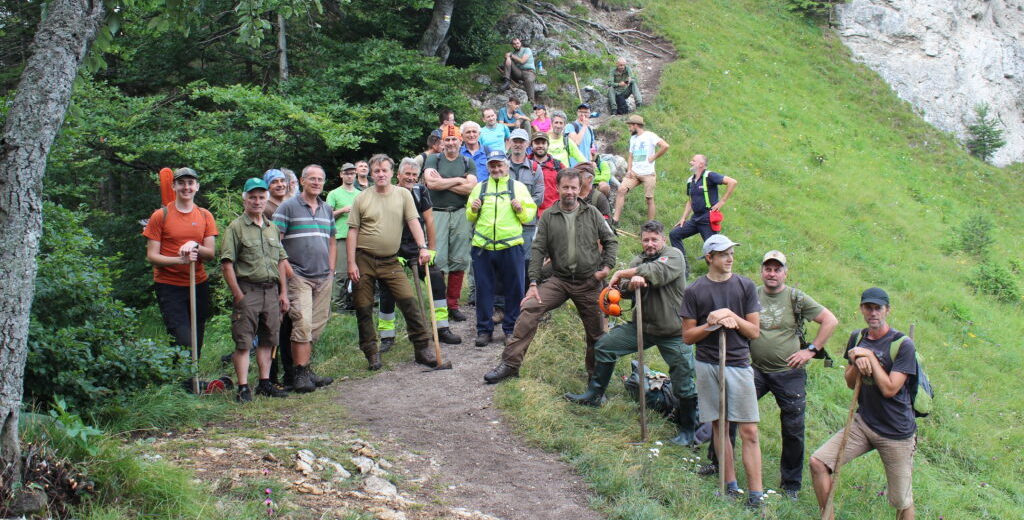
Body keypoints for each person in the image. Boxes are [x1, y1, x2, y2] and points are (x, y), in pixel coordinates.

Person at [701, 250, 839, 499]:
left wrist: (810, 351)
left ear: (785, 273)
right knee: (728, 413)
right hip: (755, 370)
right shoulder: (750, 293)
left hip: (789, 373)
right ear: (762, 271)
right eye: (768, 268)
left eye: (777, 269)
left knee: (793, 428)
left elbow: (830, 320)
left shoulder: (796, 297)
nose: (772, 273)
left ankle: (791, 485)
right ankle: (718, 463)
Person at [564, 220, 698, 442]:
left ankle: (688, 431)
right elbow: (622, 290)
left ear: (662, 239)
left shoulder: (674, 256)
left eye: (654, 239)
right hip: (641, 327)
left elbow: (657, 272)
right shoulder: (639, 260)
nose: (650, 244)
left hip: (672, 330)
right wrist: (629, 285)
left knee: (683, 377)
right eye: (646, 240)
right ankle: (594, 395)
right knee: (605, 346)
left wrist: (627, 274)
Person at [485, 168, 617, 383]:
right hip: (560, 280)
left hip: (590, 282)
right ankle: (510, 364)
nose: (570, 192)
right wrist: (534, 282)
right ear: (557, 188)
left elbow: (611, 240)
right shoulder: (548, 216)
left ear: (580, 188)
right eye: (565, 187)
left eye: (574, 188)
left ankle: (596, 381)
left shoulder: (592, 213)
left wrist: (606, 268)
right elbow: (537, 249)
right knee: (529, 308)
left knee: (596, 333)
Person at [810, 287, 918, 520]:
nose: (873, 313)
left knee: (902, 500)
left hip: (896, 432)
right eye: (868, 307)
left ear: (887, 310)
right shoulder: (857, 338)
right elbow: (850, 383)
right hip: (864, 423)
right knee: (818, 462)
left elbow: (890, 389)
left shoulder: (903, 344)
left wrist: (869, 357)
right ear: (861, 309)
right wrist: (855, 361)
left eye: (878, 308)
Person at [680, 234, 764, 508]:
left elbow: (753, 331)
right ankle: (729, 485)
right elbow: (688, 337)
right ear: (709, 258)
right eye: (723, 254)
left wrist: (731, 315)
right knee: (719, 425)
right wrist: (711, 324)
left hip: (739, 364)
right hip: (707, 363)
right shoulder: (695, 291)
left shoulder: (745, 286)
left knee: (749, 430)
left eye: (731, 253)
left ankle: (756, 496)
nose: (729, 258)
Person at [347, 155, 448, 370]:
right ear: (370, 174)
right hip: (363, 259)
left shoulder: (402, 194)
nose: (381, 174)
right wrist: (351, 263)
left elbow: (414, 221)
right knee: (364, 308)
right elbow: (352, 231)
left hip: (390, 261)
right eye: (377, 171)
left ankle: (422, 348)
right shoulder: (361, 198)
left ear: (392, 173)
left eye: (385, 170)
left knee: (408, 301)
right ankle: (371, 352)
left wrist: (423, 247)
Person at [377, 158, 462, 350]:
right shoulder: (387, 193)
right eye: (407, 174)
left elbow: (429, 220)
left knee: (437, 279)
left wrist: (431, 249)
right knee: (387, 289)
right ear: (398, 175)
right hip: (392, 249)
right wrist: (389, 252)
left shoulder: (420, 191)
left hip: (417, 246)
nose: (411, 178)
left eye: (414, 175)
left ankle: (441, 328)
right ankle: (386, 336)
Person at [143, 168, 218, 377]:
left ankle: (189, 380)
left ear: (197, 187)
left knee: (197, 337)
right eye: (182, 183)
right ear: (174, 186)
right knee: (182, 337)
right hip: (169, 286)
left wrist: (195, 245)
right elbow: (152, 256)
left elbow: (210, 253)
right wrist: (180, 259)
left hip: (198, 283)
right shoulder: (160, 216)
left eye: (191, 183)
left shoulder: (205, 215)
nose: (186, 187)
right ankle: (182, 381)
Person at [220, 178, 291, 402]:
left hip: (270, 291)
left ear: (266, 199)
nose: (257, 201)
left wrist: (283, 293)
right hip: (248, 290)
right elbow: (227, 263)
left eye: (261, 197)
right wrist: (238, 294)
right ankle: (242, 388)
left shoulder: (272, 228)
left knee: (268, 339)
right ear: (245, 199)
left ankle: (264, 383)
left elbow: (281, 261)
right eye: (253, 197)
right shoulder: (235, 228)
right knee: (243, 341)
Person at [273, 165, 337, 393]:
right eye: (312, 178)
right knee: (302, 323)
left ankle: (305, 369)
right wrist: (289, 271)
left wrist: (331, 269)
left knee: (316, 326)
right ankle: (298, 373)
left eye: (320, 179)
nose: (316, 182)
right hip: (298, 275)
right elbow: (275, 242)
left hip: (323, 276)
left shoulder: (327, 209)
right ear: (302, 181)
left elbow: (331, 240)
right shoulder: (287, 207)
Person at [466, 150, 537, 347]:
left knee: (514, 290)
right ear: (488, 167)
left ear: (506, 167)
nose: (496, 169)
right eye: (493, 165)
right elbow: (469, 216)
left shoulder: (518, 187)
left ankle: (510, 329)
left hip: (511, 246)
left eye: (500, 165)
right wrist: (473, 209)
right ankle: (484, 330)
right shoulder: (480, 188)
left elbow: (530, 214)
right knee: (484, 289)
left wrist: (521, 209)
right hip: (483, 247)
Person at [423, 124, 478, 322]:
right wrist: (458, 180)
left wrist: (444, 181)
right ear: (442, 142)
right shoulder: (433, 159)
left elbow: (471, 187)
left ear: (460, 140)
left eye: (455, 139)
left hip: (461, 213)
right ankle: (439, 305)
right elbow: (431, 184)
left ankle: (452, 304)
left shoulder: (467, 161)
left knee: (460, 259)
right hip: (437, 213)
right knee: (438, 260)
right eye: (447, 139)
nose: (451, 143)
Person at [669, 154, 738, 262]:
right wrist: (683, 218)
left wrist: (722, 201)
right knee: (674, 234)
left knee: (714, 250)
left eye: (693, 160)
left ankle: (719, 274)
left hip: (707, 219)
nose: (690, 162)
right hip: (695, 219)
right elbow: (690, 201)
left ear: (701, 164)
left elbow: (732, 182)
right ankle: (682, 265)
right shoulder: (690, 181)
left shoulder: (709, 176)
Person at [611, 115, 668, 226]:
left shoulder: (650, 136)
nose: (629, 128)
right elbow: (631, 156)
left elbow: (665, 146)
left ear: (636, 125)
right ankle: (615, 220)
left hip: (648, 174)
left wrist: (654, 157)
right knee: (621, 190)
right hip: (634, 173)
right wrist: (629, 170)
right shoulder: (633, 138)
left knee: (649, 199)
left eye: (630, 125)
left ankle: (650, 225)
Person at [507, 128, 545, 259]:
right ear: (509, 142)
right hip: (505, 222)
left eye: (521, 141)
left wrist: (521, 208)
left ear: (527, 144)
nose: (518, 144)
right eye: (515, 141)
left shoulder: (535, 168)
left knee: (525, 261)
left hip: (527, 225)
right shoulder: (501, 166)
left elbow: (539, 196)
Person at [326, 163, 359, 311]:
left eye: (352, 173)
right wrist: (343, 210)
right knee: (341, 273)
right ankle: (339, 305)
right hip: (340, 237)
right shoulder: (334, 193)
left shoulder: (360, 194)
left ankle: (354, 302)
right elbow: (326, 215)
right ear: (341, 175)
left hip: (358, 238)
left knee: (358, 273)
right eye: (347, 173)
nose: (349, 176)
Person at [527, 132, 565, 214]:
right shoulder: (524, 164)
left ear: (548, 145)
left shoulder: (558, 166)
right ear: (531, 145)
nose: (540, 146)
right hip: (528, 213)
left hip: (553, 213)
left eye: (543, 143)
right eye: (537, 143)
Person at [499, 37, 536, 104]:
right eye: (514, 44)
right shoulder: (513, 53)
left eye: (518, 43)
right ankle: (506, 81)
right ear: (512, 45)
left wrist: (511, 55)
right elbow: (509, 63)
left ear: (520, 43)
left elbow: (522, 61)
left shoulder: (527, 50)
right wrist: (507, 57)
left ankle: (532, 102)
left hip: (529, 72)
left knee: (529, 80)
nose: (516, 45)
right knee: (507, 59)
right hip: (518, 72)